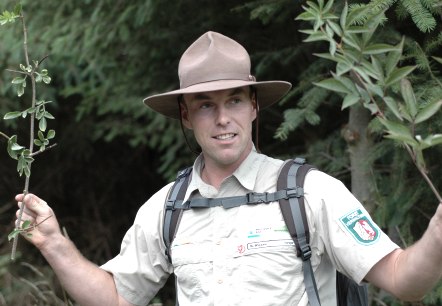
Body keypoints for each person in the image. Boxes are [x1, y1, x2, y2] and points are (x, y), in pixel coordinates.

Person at [14, 31, 442, 306]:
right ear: (185, 115)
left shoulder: (310, 193)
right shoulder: (167, 209)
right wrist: (53, 243)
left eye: (235, 100)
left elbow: (404, 280)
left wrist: (438, 235)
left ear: (254, 106)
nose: (223, 119)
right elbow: (115, 297)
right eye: (205, 105)